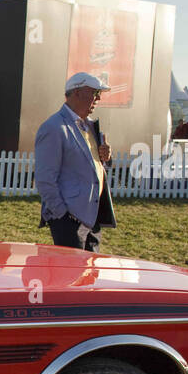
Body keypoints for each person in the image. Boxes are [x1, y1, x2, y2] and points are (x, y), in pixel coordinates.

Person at [34, 71, 115, 253]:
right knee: (71, 277)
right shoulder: (54, 127)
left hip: (92, 218)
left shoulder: (90, 126)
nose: (98, 99)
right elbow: (44, 178)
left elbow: (95, 166)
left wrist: (106, 157)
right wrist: (62, 215)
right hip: (70, 219)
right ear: (77, 92)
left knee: (89, 275)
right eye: (94, 93)